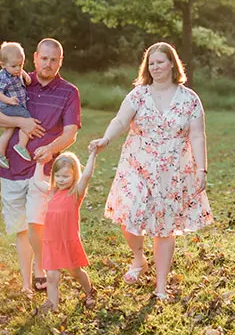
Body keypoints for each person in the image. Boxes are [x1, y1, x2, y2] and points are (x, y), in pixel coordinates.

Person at [89, 41, 212, 301]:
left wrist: (202, 169)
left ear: (172, 64)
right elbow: (121, 120)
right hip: (137, 163)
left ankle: (161, 285)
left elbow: (198, 136)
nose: (155, 67)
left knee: (164, 227)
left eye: (160, 62)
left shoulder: (189, 99)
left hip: (173, 169)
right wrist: (105, 140)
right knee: (129, 212)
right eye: (151, 63)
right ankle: (138, 259)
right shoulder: (138, 95)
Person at [0, 38, 81, 297]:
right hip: (13, 166)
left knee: (36, 221)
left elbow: (70, 133)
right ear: (35, 57)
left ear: (60, 62)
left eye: (54, 60)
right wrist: (23, 123)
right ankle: (26, 283)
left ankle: (40, 270)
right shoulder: (18, 80)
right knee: (20, 227)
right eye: (44, 58)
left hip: (43, 169)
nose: (48, 64)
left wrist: (50, 149)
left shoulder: (69, 91)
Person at [32, 150, 97, 313]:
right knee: (52, 276)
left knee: (75, 272)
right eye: (58, 176)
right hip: (52, 242)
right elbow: (37, 182)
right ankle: (52, 305)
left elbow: (87, 175)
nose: (61, 180)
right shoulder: (52, 192)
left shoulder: (75, 193)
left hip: (68, 241)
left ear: (74, 176)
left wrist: (93, 154)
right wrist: (39, 164)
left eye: (66, 176)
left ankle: (90, 291)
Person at [0, 41, 33, 169]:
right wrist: (9, 100)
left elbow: (21, 72)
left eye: (20, 65)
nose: (18, 69)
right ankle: (21, 145)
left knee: (9, 130)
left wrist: (25, 75)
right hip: (9, 105)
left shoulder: (16, 71)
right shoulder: (3, 77)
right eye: (14, 66)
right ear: (2, 65)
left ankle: (0, 152)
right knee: (27, 120)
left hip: (14, 104)